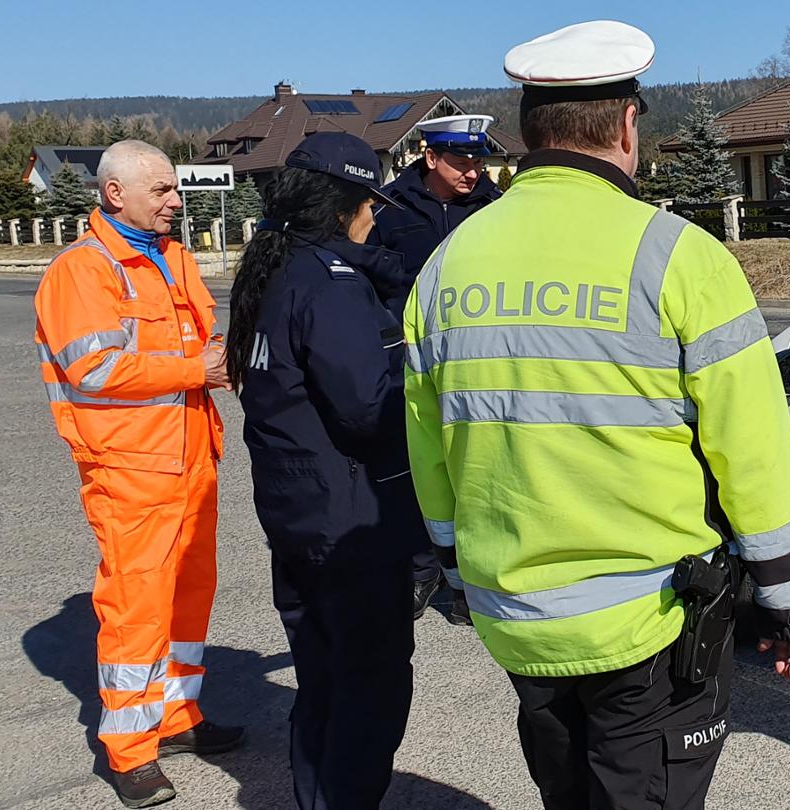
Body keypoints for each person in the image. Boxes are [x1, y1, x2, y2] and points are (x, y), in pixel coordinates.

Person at [401, 20, 790, 810]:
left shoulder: (446, 265)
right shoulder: (678, 256)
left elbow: (432, 447)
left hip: (515, 621)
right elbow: (753, 449)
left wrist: (459, 572)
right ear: (629, 123)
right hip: (649, 625)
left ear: (530, 129)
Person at [33, 139, 244, 808]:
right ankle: (130, 751)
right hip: (130, 472)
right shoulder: (82, 272)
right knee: (137, 610)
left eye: (175, 188)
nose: (175, 200)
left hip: (191, 463)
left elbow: (203, 342)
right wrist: (198, 370)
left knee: (188, 599)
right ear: (115, 193)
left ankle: (178, 719)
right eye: (161, 191)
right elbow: (94, 370)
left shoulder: (174, 259)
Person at [226, 132, 422, 810]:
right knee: (370, 688)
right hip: (349, 524)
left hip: (295, 514)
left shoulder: (274, 270)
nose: (375, 217)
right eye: (369, 203)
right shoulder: (330, 286)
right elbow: (369, 410)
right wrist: (421, 380)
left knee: (323, 679)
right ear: (344, 205)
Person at [368, 113, 503, 625]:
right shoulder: (390, 206)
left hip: (477, 357)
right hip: (406, 356)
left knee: (473, 462)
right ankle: (425, 567)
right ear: (430, 157)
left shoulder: (494, 207)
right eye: (460, 161)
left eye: (478, 161)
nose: (472, 172)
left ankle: (471, 577)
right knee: (417, 465)